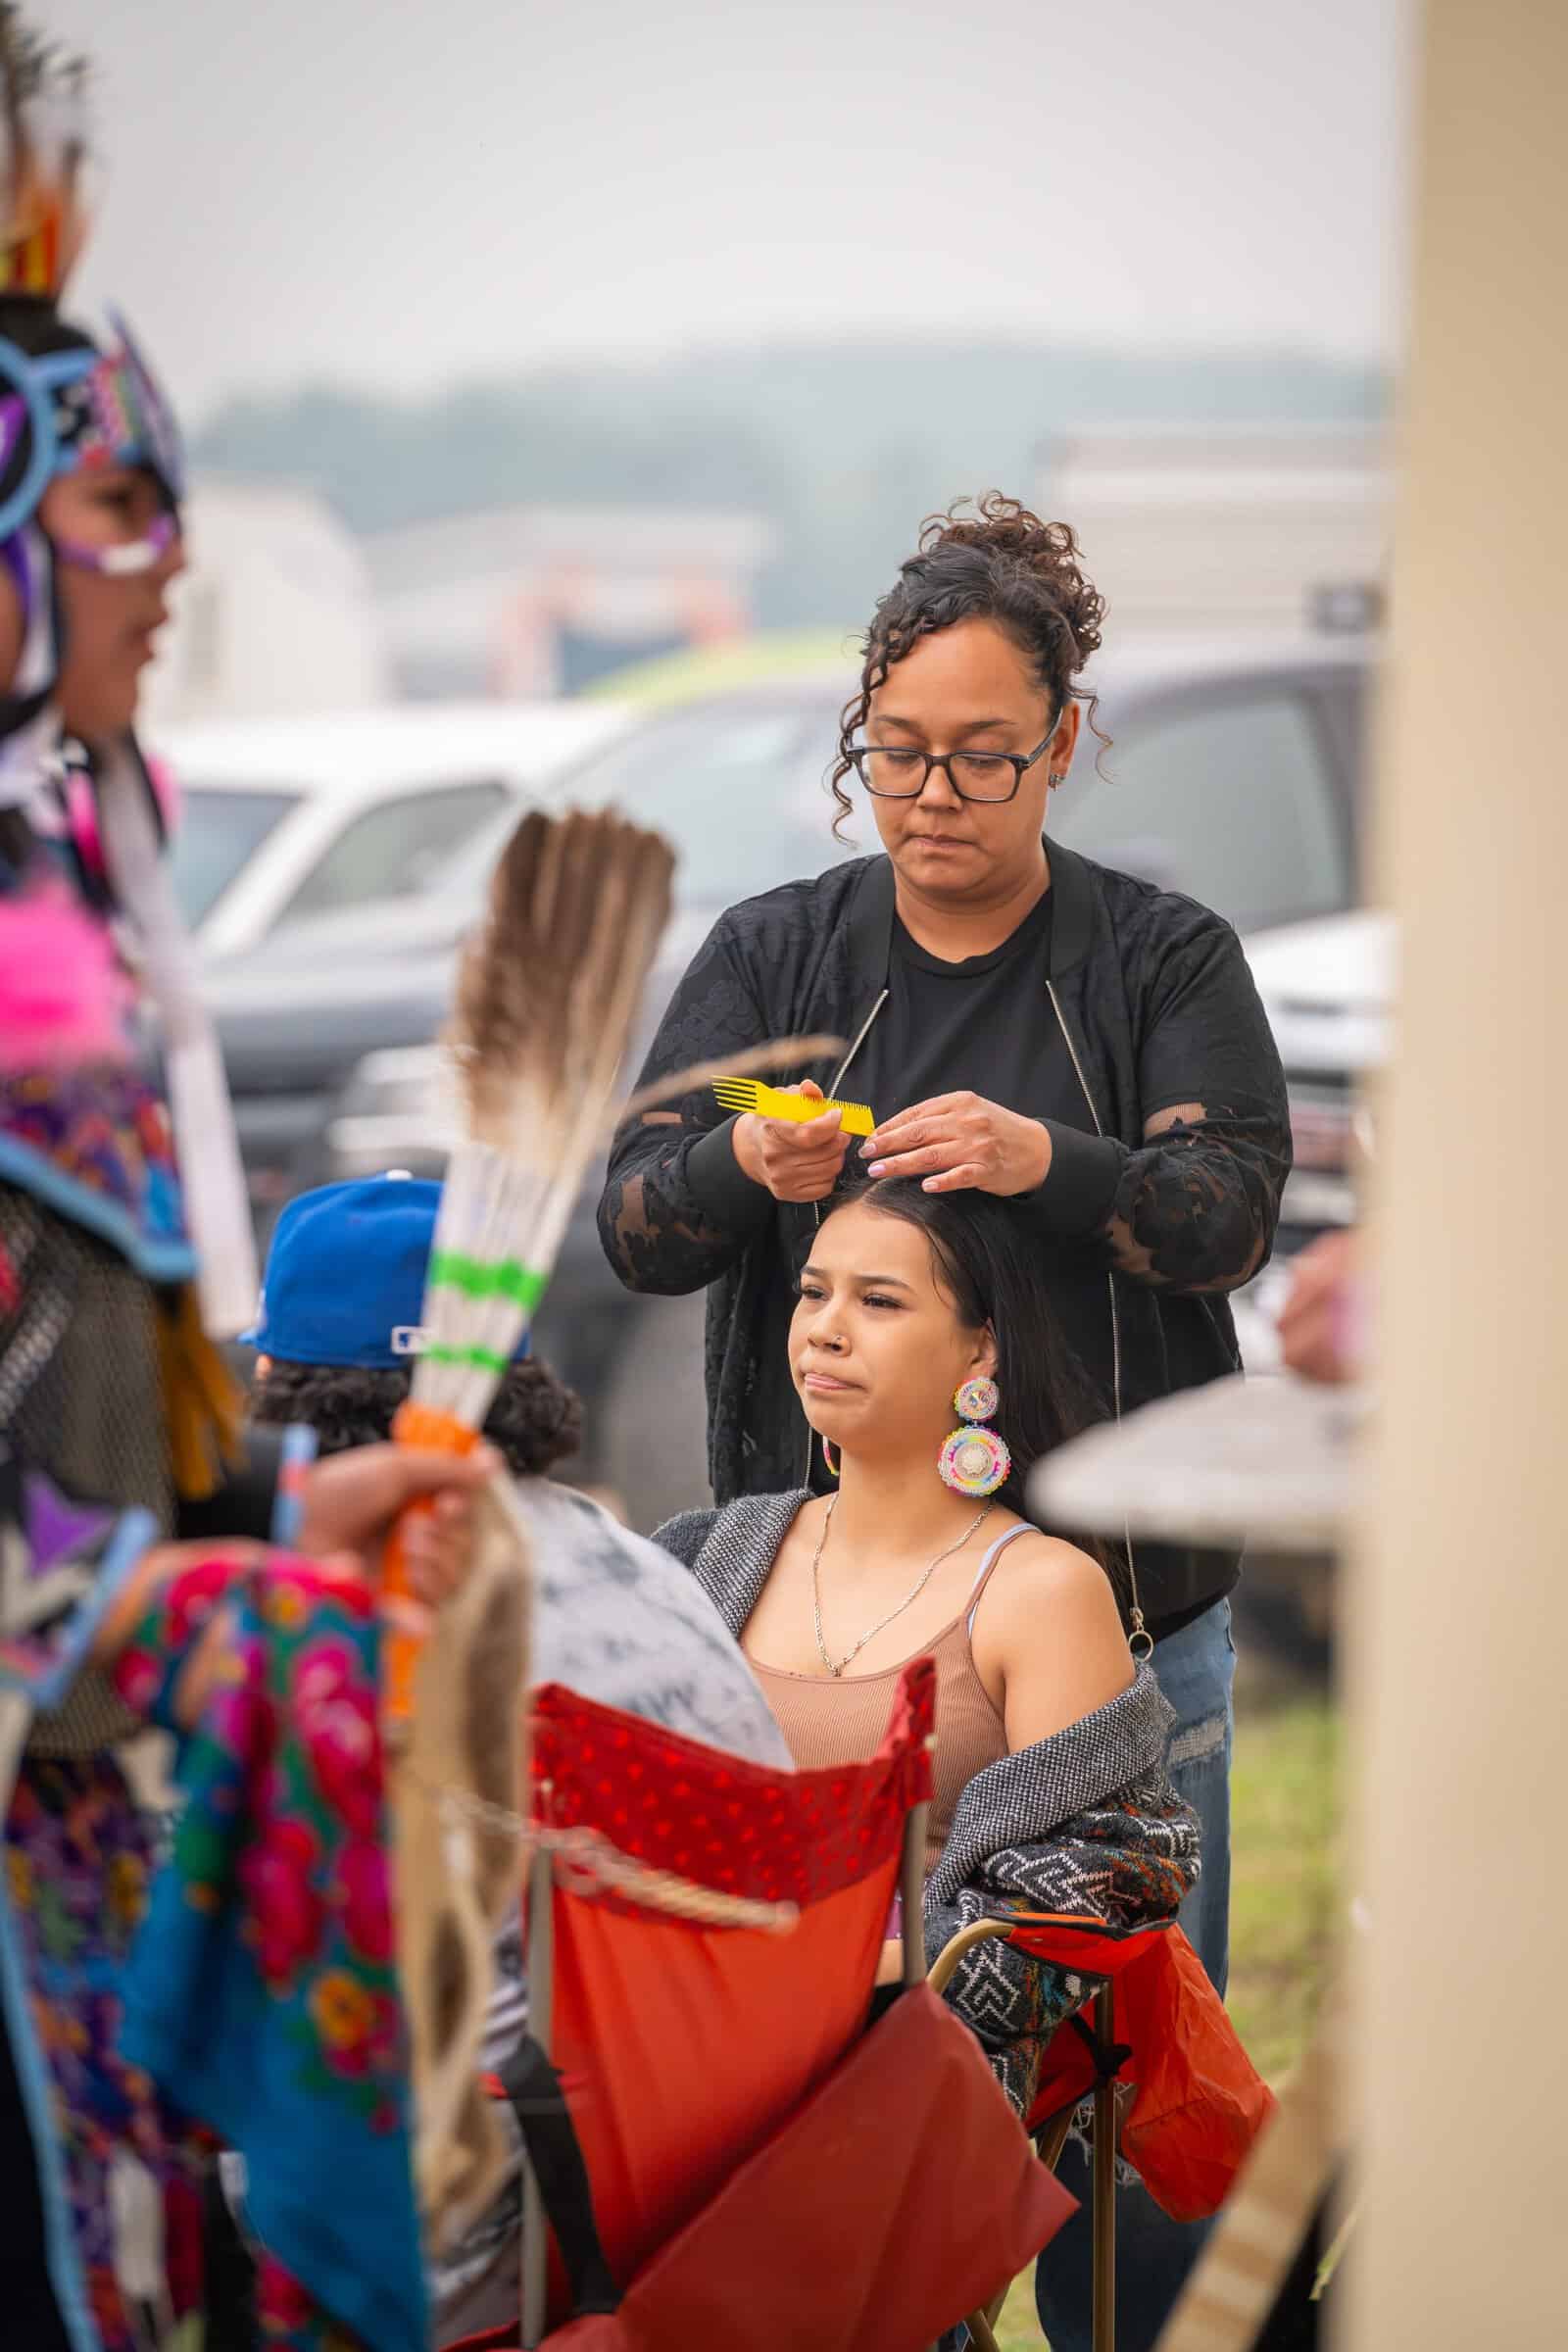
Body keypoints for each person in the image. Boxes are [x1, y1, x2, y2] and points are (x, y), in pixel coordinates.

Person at [600, 494, 1291, 2347]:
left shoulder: (1157, 961)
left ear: (1065, 742)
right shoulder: (781, 959)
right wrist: (742, 1162)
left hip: (1122, 1610)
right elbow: (635, 1221)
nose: (932, 797)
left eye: (983, 755)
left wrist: (1047, 1160)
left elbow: (1225, 1212)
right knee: (831, 2111)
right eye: (895, 753)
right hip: (836, 1634)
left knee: (1124, 2111)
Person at [0, 30, 491, 2347]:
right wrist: (182, 1607)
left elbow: (96, 1443)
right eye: (117, 504)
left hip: (78, 1854)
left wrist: (280, 1526)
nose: (171, 556)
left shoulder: (83, 911)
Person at [243, 1171, 793, 2339]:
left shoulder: (353, 1618)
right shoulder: (641, 1564)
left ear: (282, 1387)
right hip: (725, 2170)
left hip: (490, 2202)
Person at [656, 1178, 1199, 2115]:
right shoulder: (708, 1556)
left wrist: (827, 1968)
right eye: (813, 1292)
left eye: (879, 1301)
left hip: (904, 2075)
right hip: (672, 2032)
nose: (825, 1330)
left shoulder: (1041, 1590)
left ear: (981, 1347)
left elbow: (1087, 1897)